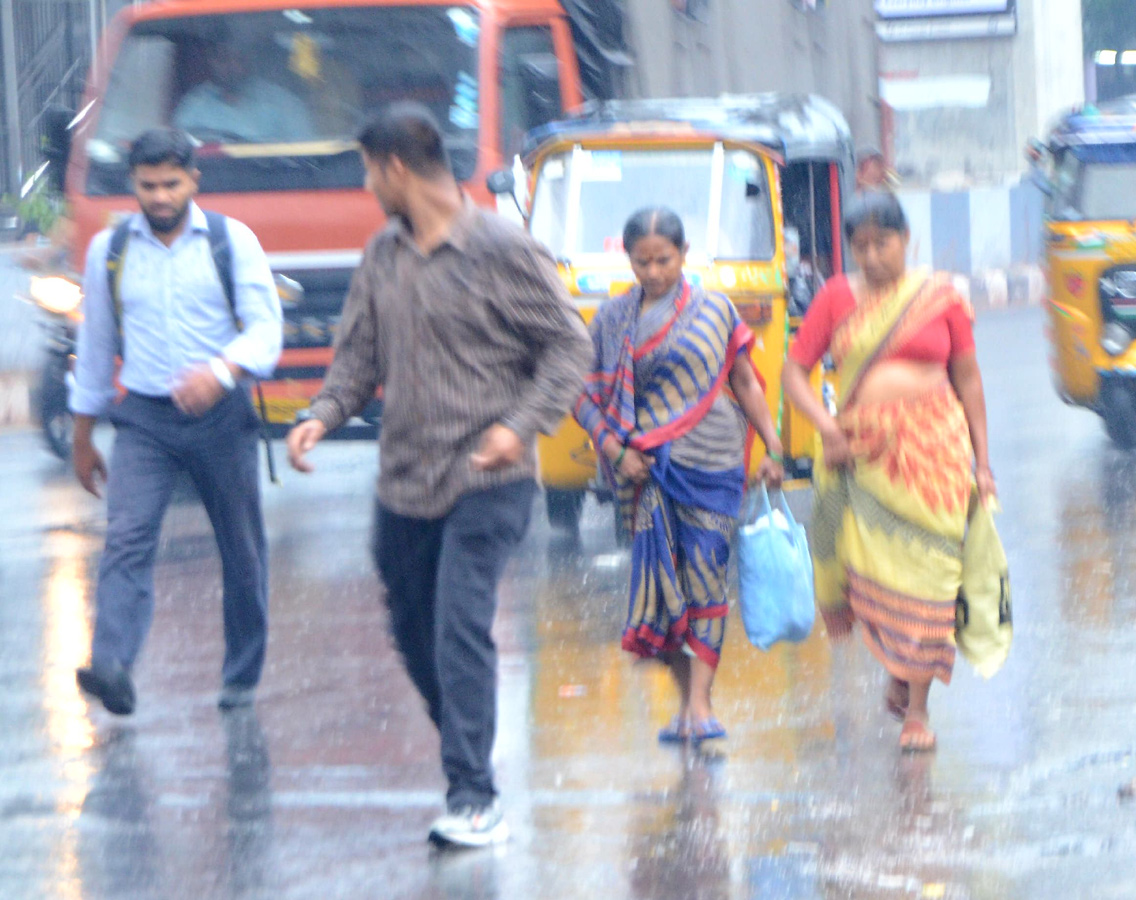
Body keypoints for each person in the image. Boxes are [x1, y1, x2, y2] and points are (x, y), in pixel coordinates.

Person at [285, 103, 590, 848]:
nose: (367, 186)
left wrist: (517, 429)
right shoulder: (382, 256)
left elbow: (568, 346)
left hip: (489, 479)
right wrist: (321, 415)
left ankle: (473, 794)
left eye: (366, 171)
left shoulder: (502, 248)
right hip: (404, 480)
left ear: (394, 168)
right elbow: (358, 357)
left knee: (460, 623)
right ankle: (463, 735)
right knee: (413, 627)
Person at [72, 127, 283, 715]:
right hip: (143, 420)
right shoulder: (108, 252)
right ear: (133, 185)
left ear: (193, 179)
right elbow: (94, 351)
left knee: (241, 548)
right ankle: (112, 665)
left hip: (221, 416)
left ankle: (241, 674)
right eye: (148, 185)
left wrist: (218, 372)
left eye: (170, 183)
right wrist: (83, 437)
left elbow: (266, 333)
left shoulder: (230, 242)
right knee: (127, 538)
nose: (160, 196)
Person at [781, 191, 995, 753]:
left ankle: (917, 710)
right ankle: (900, 665)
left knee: (930, 571)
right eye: (861, 247)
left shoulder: (939, 298)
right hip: (862, 457)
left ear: (908, 241)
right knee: (869, 568)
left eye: (884, 243)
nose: (873, 257)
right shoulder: (834, 298)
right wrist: (826, 428)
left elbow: (968, 379)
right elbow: (794, 373)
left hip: (936, 455)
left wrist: (984, 462)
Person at [574, 208, 786, 745]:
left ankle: (701, 703)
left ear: (684, 254)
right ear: (629, 260)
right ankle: (682, 699)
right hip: (645, 472)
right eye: (642, 262)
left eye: (663, 260)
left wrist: (773, 442)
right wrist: (614, 450)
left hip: (713, 462)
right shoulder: (613, 320)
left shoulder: (714, 310)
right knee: (663, 588)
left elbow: (745, 380)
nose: (653, 272)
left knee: (705, 577)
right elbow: (582, 393)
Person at [174, 38, 315, 143]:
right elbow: (180, 153)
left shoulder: (283, 102)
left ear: (249, 61)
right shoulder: (195, 104)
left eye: (238, 59)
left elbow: (305, 152)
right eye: (223, 59)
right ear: (212, 62)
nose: (231, 66)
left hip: (273, 179)